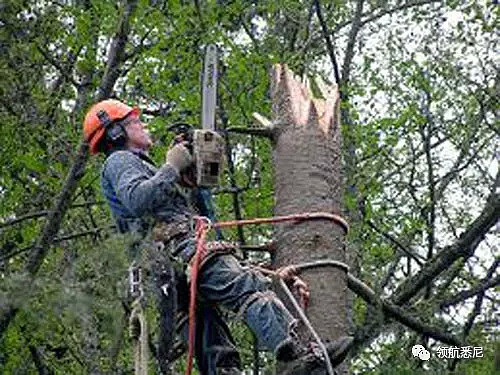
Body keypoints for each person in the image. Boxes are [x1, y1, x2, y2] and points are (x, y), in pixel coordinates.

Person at [83, 99, 352, 375]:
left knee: (211, 337)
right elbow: (138, 199)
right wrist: (172, 167)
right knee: (248, 286)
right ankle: (298, 356)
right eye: (135, 122)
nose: (143, 125)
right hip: (177, 253)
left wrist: (193, 179)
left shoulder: (142, 168)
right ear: (116, 133)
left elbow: (203, 220)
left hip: (172, 267)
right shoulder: (119, 161)